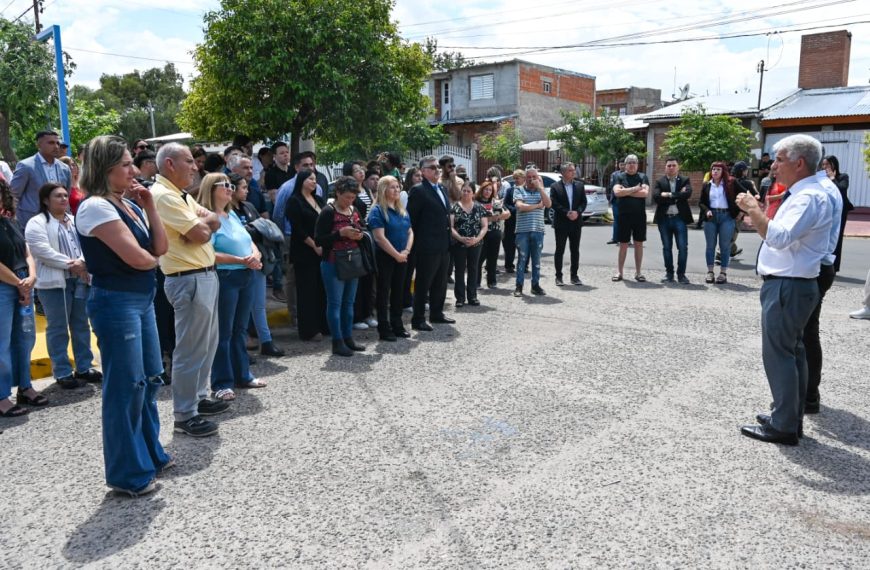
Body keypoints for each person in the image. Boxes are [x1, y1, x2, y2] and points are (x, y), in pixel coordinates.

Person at [75, 135, 171, 495]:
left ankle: (149, 454)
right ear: (106, 168)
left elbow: (159, 248)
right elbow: (139, 258)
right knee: (125, 387)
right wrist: (152, 259)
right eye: (126, 164)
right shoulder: (95, 207)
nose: (134, 170)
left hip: (140, 299)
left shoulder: (127, 203)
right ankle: (127, 473)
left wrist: (150, 207)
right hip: (116, 303)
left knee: (149, 378)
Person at [736, 134, 834, 446]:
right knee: (793, 352)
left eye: (779, 160)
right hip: (794, 283)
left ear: (799, 163)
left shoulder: (807, 197)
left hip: (788, 285)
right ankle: (789, 416)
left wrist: (753, 209)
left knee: (780, 354)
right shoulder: (806, 193)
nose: (773, 166)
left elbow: (778, 238)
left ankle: (784, 425)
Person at [152, 142, 227, 438]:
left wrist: (201, 227)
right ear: (170, 164)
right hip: (188, 278)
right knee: (190, 348)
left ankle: (198, 398)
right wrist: (200, 228)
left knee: (206, 344)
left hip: (202, 275)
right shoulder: (164, 196)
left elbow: (214, 220)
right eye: (189, 161)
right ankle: (184, 414)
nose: (195, 167)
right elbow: (200, 231)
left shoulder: (179, 194)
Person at [197, 173, 266, 402]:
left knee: (240, 330)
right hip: (226, 276)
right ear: (211, 188)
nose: (230, 189)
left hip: (245, 275)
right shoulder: (207, 218)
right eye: (225, 185)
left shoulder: (231, 213)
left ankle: (242, 375)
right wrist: (241, 260)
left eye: (231, 185)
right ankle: (222, 383)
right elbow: (209, 253)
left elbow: (248, 240)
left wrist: (255, 255)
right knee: (223, 332)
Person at [24, 182, 100, 390]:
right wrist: (73, 264)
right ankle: (63, 371)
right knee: (58, 327)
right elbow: (42, 251)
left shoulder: (75, 220)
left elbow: (88, 244)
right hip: (54, 284)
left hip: (80, 280)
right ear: (45, 200)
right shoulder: (36, 223)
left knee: (81, 324)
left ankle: (84, 366)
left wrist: (83, 261)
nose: (64, 199)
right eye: (58, 196)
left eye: (65, 195)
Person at [799, 163, 843, 415]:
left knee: (805, 334)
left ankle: (807, 396)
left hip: (815, 268)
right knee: (807, 332)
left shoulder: (819, 190)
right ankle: (806, 395)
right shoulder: (824, 187)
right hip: (820, 266)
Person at [0, 178, 44, 417]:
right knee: (2, 344)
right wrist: (20, 284)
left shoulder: (10, 220)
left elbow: (27, 251)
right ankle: (1, 396)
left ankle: (25, 387)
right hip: (6, 287)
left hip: (23, 283)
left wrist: (31, 277)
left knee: (25, 339)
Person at [228, 173, 284, 357]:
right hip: (235, 265)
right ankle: (240, 350)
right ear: (232, 189)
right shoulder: (225, 211)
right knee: (237, 310)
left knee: (258, 305)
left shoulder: (249, 206)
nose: (247, 191)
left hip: (256, 260)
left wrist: (253, 232)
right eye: (243, 187)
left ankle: (266, 342)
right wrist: (252, 231)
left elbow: (259, 232)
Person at [314, 177, 368, 356]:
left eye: (353, 197)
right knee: (335, 303)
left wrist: (360, 234)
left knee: (349, 303)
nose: (350, 201)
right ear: (337, 193)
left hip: (352, 260)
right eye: (347, 197)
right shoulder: (328, 212)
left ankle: (348, 337)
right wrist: (340, 234)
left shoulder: (354, 210)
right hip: (333, 262)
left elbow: (363, 228)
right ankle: (337, 342)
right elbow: (319, 240)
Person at [407, 156, 455, 331]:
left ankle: (437, 313)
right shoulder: (418, 190)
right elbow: (412, 220)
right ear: (423, 171)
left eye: (438, 167)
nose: (437, 170)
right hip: (426, 245)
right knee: (423, 283)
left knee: (440, 282)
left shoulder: (441, 188)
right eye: (433, 167)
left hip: (443, 244)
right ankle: (418, 319)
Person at [368, 175, 413, 341]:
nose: (396, 190)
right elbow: (379, 238)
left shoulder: (402, 209)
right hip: (385, 257)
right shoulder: (378, 211)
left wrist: (406, 251)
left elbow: (410, 231)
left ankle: (397, 324)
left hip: (402, 256)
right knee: (383, 291)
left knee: (399, 291)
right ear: (383, 189)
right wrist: (396, 255)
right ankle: (384, 327)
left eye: (398, 187)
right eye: (392, 187)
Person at [286, 170, 329, 341]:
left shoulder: (318, 199)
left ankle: (323, 324)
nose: (314, 182)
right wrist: (314, 245)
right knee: (307, 291)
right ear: (302, 181)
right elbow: (298, 229)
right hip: (304, 252)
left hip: (321, 250)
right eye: (310, 179)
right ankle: (309, 329)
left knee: (321, 289)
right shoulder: (294, 201)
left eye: (315, 179)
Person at [10, 131, 72, 229]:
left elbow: (67, 195)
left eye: (58, 143)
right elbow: (13, 195)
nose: (56, 146)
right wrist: (14, 221)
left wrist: (68, 218)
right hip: (31, 222)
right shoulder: (26, 166)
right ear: (39, 145)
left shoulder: (65, 168)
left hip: (59, 223)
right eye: (51, 143)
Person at [652, 158, 693, 284]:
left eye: (674, 165)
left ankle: (681, 275)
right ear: (665, 167)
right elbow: (657, 197)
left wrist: (668, 194)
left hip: (679, 218)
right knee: (666, 248)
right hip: (664, 219)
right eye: (669, 165)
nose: (671, 167)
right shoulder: (659, 181)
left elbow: (687, 194)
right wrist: (677, 195)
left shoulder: (685, 180)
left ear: (678, 167)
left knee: (683, 248)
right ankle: (669, 274)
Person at [513, 167, 551, 297]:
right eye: (529, 177)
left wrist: (540, 188)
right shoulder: (519, 189)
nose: (531, 179)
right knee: (522, 260)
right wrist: (537, 206)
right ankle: (519, 286)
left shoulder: (541, 191)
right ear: (525, 178)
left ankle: (535, 286)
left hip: (538, 230)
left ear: (537, 178)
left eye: (534, 177)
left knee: (536, 260)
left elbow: (548, 204)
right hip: (522, 230)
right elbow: (520, 206)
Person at [450, 179, 488, 307]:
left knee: (473, 269)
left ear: (473, 193)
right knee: (459, 270)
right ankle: (460, 298)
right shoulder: (454, 207)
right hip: (458, 243)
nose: (466, 193)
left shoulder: (479, 208)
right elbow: (451, 227)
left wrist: (477, 239)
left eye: (468, 191)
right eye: (464, 190)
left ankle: (472, 296)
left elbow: (484, 226)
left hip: (476, 244)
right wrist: (460, 238)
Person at [699, 162, 738, 284]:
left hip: (726, 216)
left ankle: (723, 273)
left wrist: (740, 212)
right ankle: (710, 272)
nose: (715, 171)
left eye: (718, 169)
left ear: (723, 172)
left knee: (725, 246)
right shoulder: (707, 185)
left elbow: (743, 193)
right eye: (713, 169)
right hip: (711, 217)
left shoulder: (730, 183)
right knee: (710, 245)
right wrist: (707, 210)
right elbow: (701, 202)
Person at [611, 155, 649, 282]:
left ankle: (638, 272)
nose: (632, 165)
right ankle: (619, 272)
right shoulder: (619, 177)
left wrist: (626, 192)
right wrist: (635, 189)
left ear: (637, 164)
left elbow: (645, 193)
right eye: (629, 162)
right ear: (625, 165)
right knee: (623, 244)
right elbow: (617, 192)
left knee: (638, 244)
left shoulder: (643, 177)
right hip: (623, 216)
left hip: (639, 216)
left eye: (634, 162)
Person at [549, 162, 587, 286]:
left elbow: (583, 202)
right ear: (563, 172)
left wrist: (577, 212)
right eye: (570, 170)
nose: (573, 172)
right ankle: (558, 276)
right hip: (561, 222)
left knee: (575, 250)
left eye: (573, 170)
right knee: (560, 250)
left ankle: (574, 276)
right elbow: (553, 203)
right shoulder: (555, 186)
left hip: (576, 222)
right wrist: (566, 212)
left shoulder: (580, 185)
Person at [821, 155, 854, 273]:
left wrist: (832, 178)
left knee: (837, 237)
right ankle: (823, 264)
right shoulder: (821, 178)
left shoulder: (843, 177)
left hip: (840, 211)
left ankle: (834, 267)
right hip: (826, 210)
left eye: (827, 164)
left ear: (834, 164)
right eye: (823, 164)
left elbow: (841, 188)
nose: (825, 167)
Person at [475, 178, 509, 289]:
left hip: (495, 233)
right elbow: (475, 218)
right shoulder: (476, 202)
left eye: (490, 190)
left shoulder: (495, 201)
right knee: (479, 259)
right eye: (485, 189)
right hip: (481, 234)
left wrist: (497, 217)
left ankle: (491, 281)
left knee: (493, 259)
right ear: (481, 190)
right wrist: (490, 219)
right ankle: (476, 282)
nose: (487, 192)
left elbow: (508, 214)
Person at [501, 169, 523, 273]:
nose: (515, 180)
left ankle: (523, 265)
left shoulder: (526, 190)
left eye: (517, 178)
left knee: (523, 245)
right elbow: (505, 204)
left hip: (523, 222)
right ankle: (509, 265)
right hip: (511, 222)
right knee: (509, 245)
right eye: (514, 178)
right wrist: (515, 209)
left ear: (523, 178)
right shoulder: (510, 190)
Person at [607, 159, 625, 244]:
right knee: (616, 220)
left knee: (626, 220)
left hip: (626, 201)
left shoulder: (629, 174)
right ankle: (615, 238)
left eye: (623, 164)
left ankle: (626, 239)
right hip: (616, 200)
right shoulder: (614, 174)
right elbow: (611, 186)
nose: (622, 166)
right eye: (621, 164)